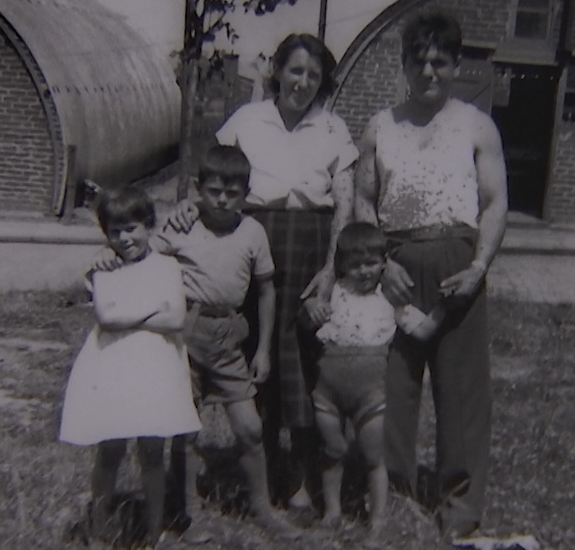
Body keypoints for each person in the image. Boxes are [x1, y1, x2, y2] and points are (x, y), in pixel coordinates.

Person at [168, 33, 359, 517]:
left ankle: (296, 475)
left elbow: (344, 203)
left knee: (302, 355)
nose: (303, 82)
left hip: (310, 242)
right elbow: (215, 174)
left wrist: (332, 267)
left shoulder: (333, 128)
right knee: (259, 347)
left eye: (314, 76)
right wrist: (189, 211)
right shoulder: (247, 121)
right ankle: (262, 461)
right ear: (277, 71)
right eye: (295, 71)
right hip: (250, 237)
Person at [354, 11, 509, 545]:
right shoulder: (380, 125)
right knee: (392, 386)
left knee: (461, 391)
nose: (429, 71)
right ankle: (390, 496)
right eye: (418, 60)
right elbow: (363, 201)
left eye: (440, 61)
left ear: (456, 65)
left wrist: (478, 267)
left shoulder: (476, 125)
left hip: (457, 262)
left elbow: (494, 204)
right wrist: (379, 264)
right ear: (403, 64)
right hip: (394, 262)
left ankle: (459, 508)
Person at [151, 145, 300, 542]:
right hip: (186, 331)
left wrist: (264, 349)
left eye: (232, 193)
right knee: (186, 430)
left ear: (246, 194)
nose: (221, 199)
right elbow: (146, 261)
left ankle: (261, 505)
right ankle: (188, 511)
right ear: (200, 188)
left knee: (250, 427)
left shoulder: (252, 231)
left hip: (228, 335)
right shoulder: (182, 224)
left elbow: (266, 291)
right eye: (214, 190)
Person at [59, 187, 201, 549]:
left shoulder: (167, 266)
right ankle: (100, 529)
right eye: (115, 231)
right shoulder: (104, 265)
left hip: (156, 369)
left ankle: (152, 531)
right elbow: (107, 316)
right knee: (110, 450)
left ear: (149, 225)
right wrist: (150, 310)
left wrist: (132, 316)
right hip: (114, 367)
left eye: (132, 228)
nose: (125, 238)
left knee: (152, 453)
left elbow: (174, 319)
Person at [300, 222, 444, 547]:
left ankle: (378, 520)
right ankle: (332, 512)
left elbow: (422, 330)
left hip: (370, 396)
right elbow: (306, 321)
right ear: (342, 265)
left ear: (384, 263)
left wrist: (445, 306)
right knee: (333, 450)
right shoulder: (332, 292)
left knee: (373, 457)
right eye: (355, 264)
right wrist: (310, 308)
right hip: (327, 393)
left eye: (372, 263)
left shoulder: (389, 301)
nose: (364, 271)